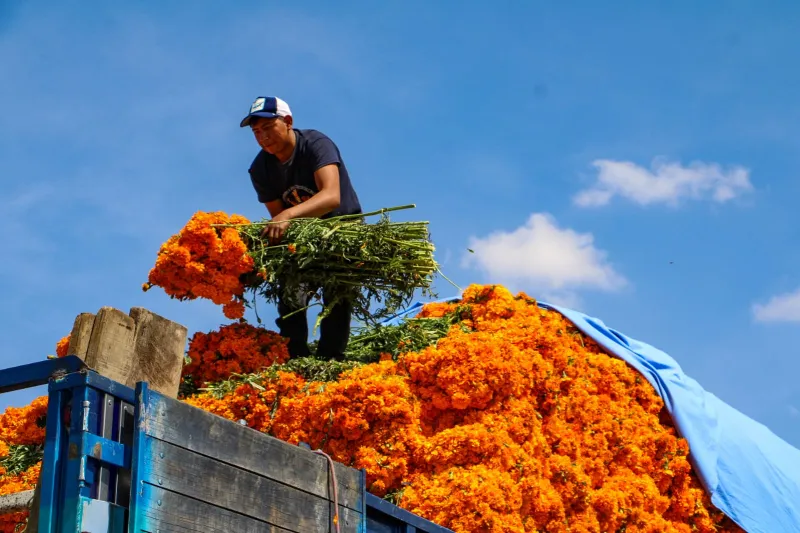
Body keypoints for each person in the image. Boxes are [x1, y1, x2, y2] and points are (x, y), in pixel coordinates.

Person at [240, 96, 363, 361]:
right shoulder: (260, 169)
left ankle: (330, 360)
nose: (262, 137)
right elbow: (278, 223)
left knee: (337, 296)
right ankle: (294, 359)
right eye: (256, 132)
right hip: (302, 240)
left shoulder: (316, 144)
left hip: (342, 231)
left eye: (267, 127)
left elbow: (331, 197)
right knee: (291, 294)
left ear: (287, 122)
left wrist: (289, 214)